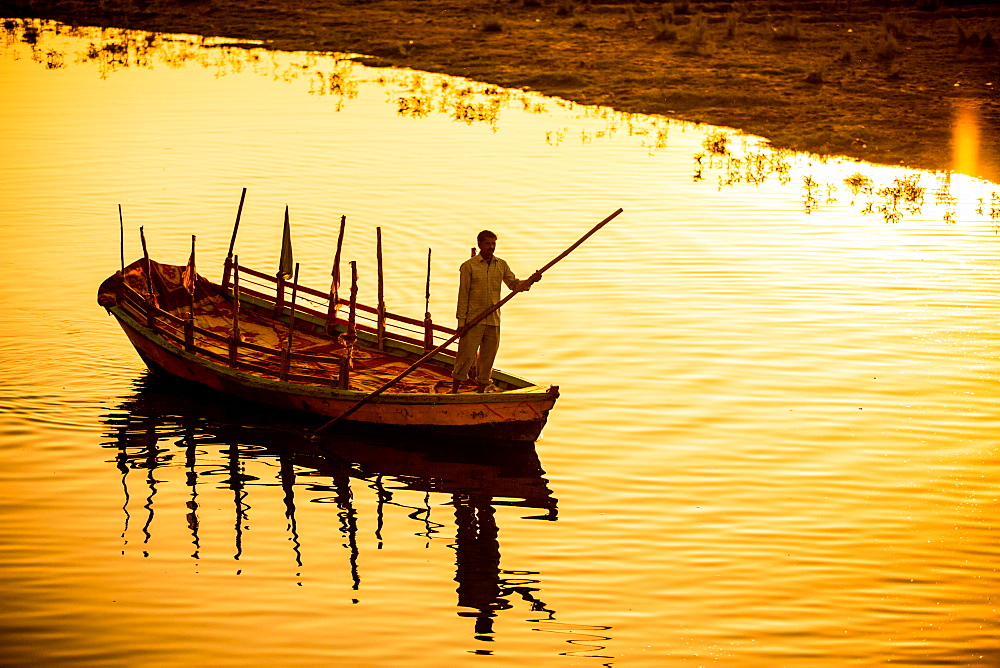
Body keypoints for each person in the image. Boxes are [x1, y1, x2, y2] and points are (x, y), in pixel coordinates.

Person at [451, 230, 539, 393]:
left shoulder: (501, 265)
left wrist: (530, 281)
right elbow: (463, 296)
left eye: (493, 244)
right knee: (465, 357)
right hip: (473, 321)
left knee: (487, 359)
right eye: (488, 244)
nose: (491, 247)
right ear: (479, 245)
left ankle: (481, 392)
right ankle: (454, 391)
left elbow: (514, 285)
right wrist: (461, 323)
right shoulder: (469, 267)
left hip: (493, 320)